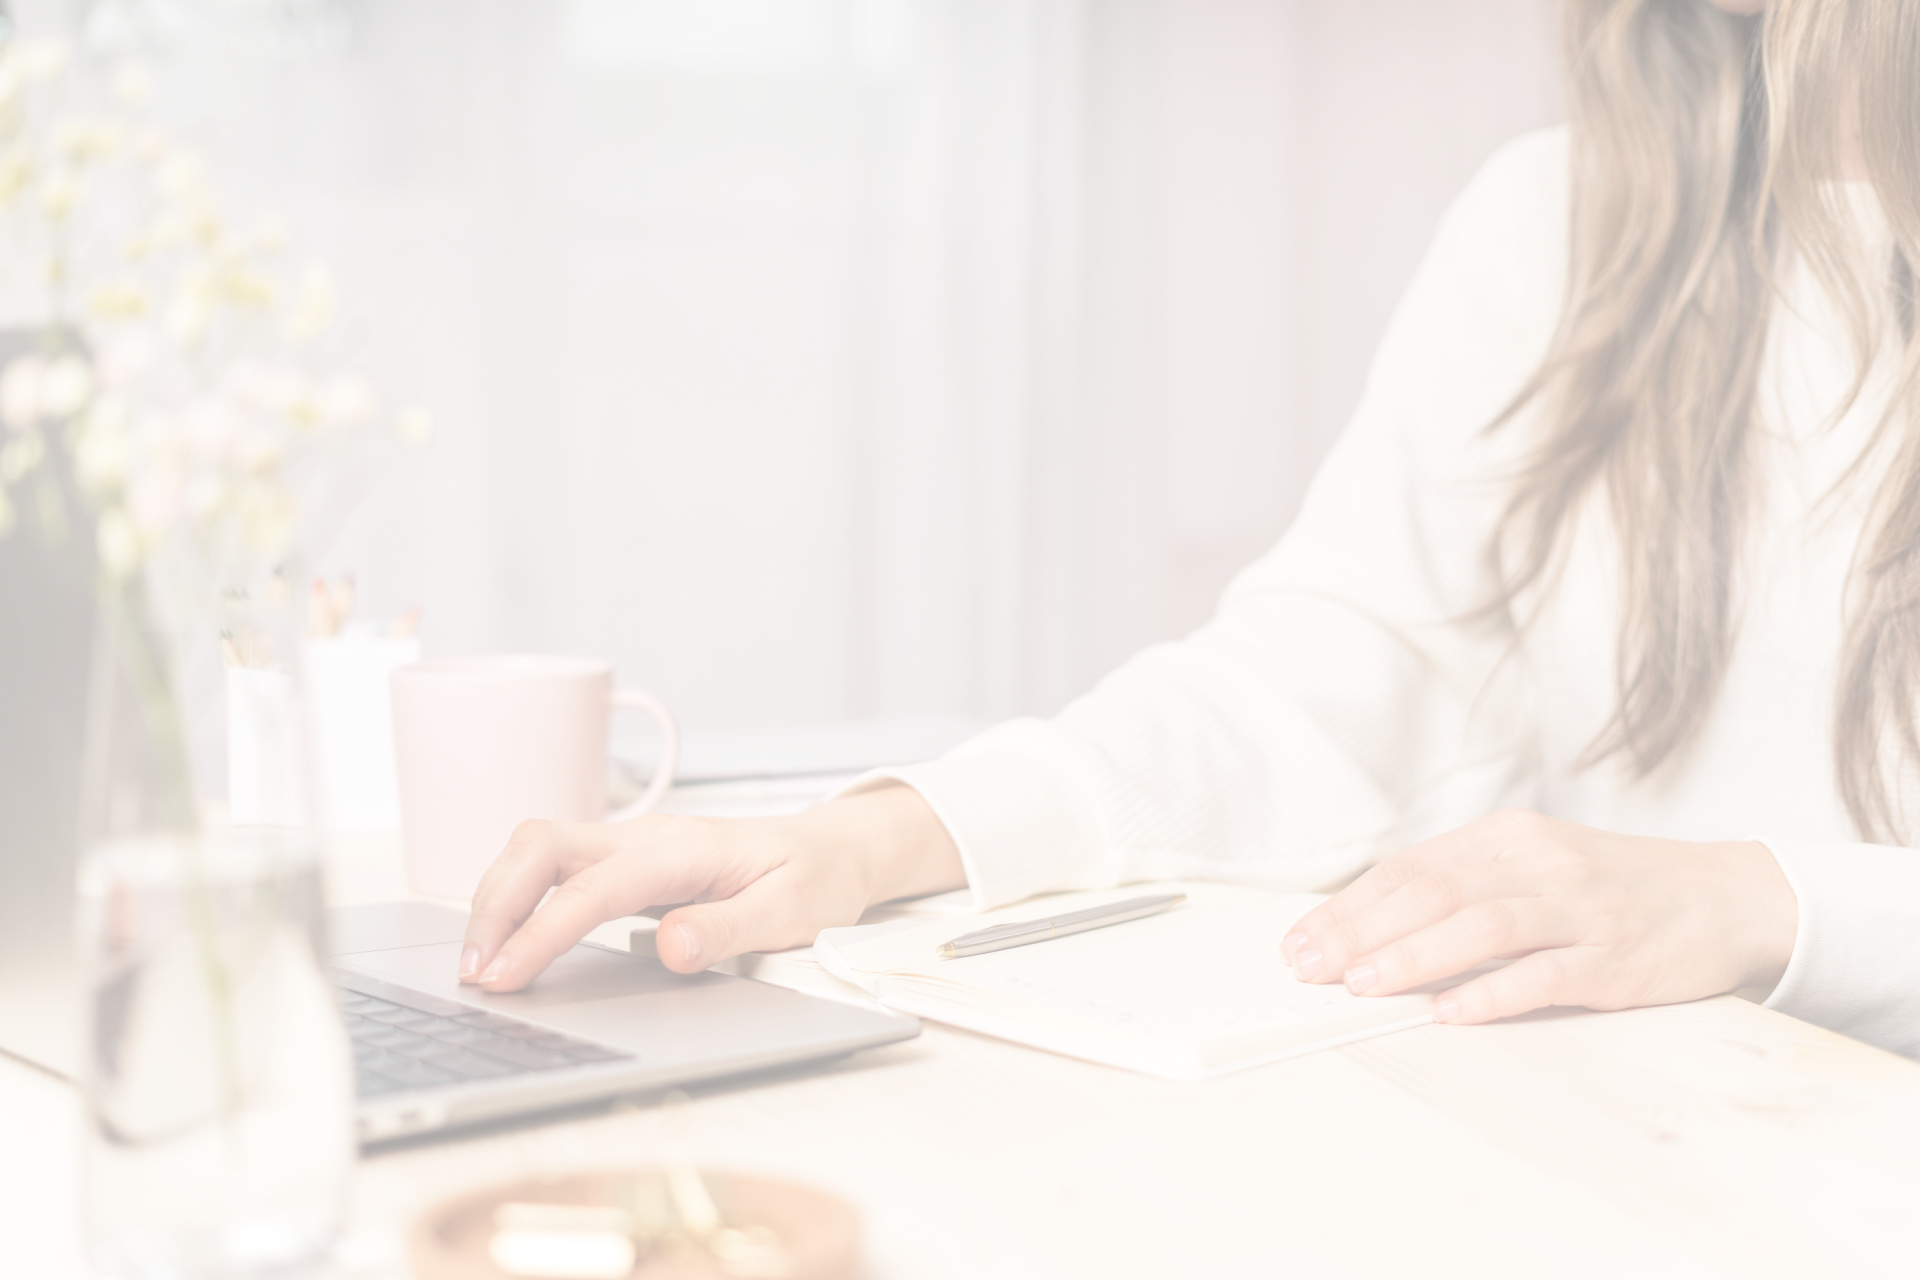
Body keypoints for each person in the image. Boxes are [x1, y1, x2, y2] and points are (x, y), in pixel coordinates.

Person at [457, 0, 1920, 1059]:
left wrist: (1760, 900)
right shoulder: (1561, 226)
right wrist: (876, 840)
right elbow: (1318, 678)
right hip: (1660, 1140)